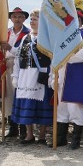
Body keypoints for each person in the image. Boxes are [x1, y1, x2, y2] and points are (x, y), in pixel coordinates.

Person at [11, 9, 53, 145]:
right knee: (25, 103)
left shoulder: (47, 38)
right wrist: (15, 75)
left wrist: (51, 75)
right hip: (25, 74)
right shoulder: (25, 38)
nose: (32, 21)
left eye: (35, 19)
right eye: (32, 19)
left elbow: (52, 59)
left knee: (42, 104)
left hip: (40, 74)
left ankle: (42, 135)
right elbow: (18, 58)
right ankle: (29, 134)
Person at [54, 10, 83, 149]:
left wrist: (66, 57)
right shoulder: (61, 36)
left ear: (81, 20)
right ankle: (61, 138)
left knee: (76, 107)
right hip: (63, 75)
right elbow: (54, 56)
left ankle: (76, 140)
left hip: (77, 75)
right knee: (62, 108)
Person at [2, 7, 31, 139]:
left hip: (22, 65)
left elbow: (25, 52)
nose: (17, 19)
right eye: (15, 17)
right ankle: (12, 126)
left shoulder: (28, 34)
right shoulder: (5, 33)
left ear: (24, 19)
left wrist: (11, 49)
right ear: (11, 18)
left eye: (20, 17)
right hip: (7, 64)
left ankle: (23, 127)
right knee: (8, 97)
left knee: (21, 95)